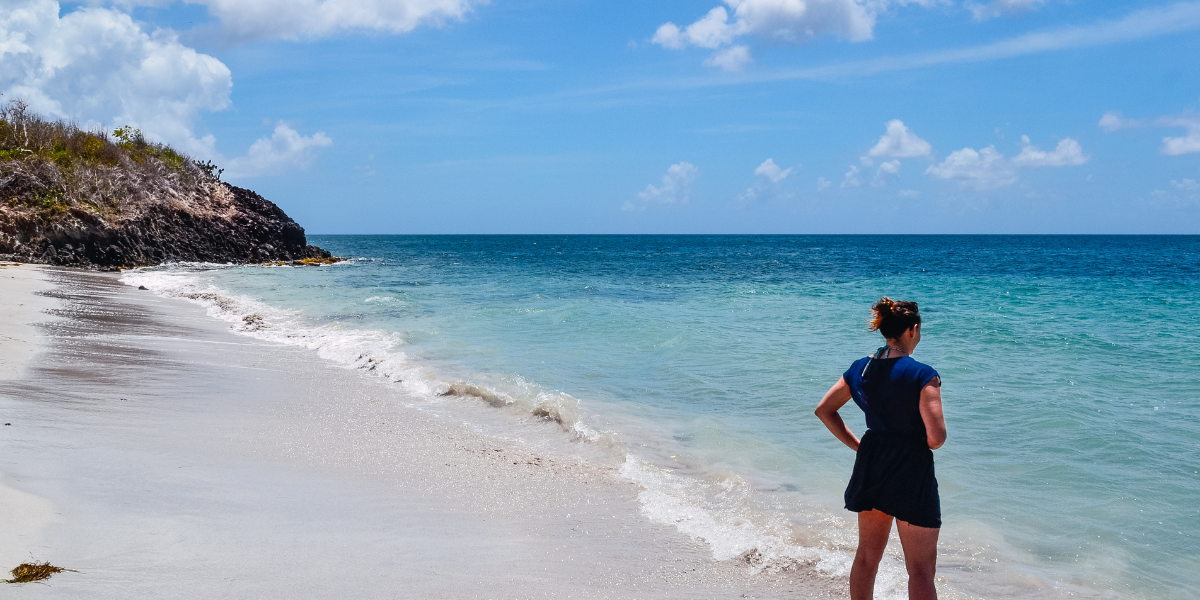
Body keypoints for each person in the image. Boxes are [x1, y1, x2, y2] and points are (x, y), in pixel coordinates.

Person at [814, 297, 947, 600]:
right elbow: (936, 438)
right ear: (912, 330)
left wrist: (858, 446)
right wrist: (916, 442)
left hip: (872, 461)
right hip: (911, 468)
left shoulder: (861, 369)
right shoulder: (923, 374)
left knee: (866, 557)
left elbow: (824, 410)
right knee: (921, 571)